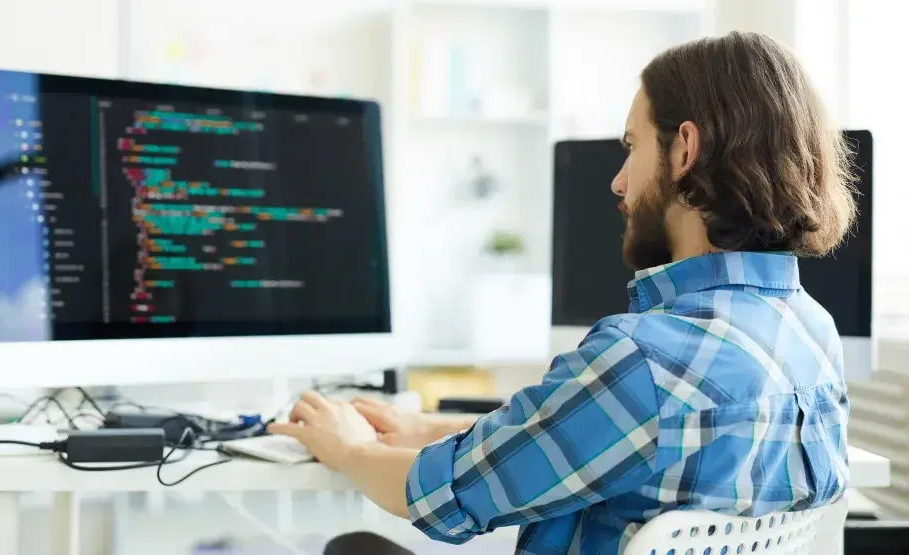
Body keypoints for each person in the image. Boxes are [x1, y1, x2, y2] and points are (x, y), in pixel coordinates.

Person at [269, 31, 856, 554]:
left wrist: (350, 450)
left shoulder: (644, 359)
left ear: (684, 149)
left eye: (632, 147)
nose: (619, 180)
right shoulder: (812, 333)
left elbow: (440, 497)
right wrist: (434, 430)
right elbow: (613, 446)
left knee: (354, 547)